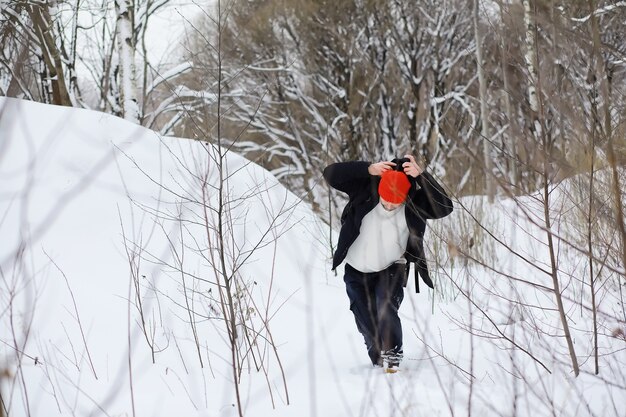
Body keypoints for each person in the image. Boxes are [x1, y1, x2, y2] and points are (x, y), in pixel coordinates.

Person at [323, 155, 453, 372]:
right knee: (365, 319)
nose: (391, 205)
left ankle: (392, 355)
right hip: (355, 270)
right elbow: (330, 174)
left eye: (396, 202)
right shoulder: (365, 190)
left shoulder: (415, 203)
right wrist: (368, 169)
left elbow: (444, 207)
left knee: (385, 305)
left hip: (392, 267)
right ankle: (377, 355)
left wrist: (422, 176)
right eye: (386, 200)